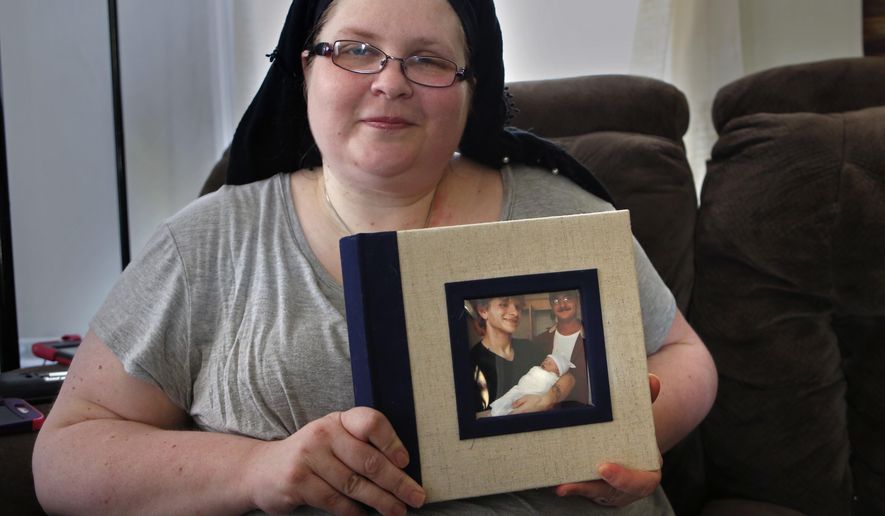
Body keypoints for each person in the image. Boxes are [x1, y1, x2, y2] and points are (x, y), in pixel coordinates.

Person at [32, 0, 718, 514]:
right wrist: (257, 469)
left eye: (427, 59)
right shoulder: (206, 244)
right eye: (355, 50)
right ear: (304, 69)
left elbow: (683, 355)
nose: (390, 83)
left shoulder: (561, 212)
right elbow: (66, 456)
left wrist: (635, 430)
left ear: (471, 87)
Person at [469, 296, 574, 415]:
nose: (515, 312)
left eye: (518, 306)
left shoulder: (529, 347)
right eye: (503, 305)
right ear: (483, 311)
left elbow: (569, 378)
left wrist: (544, 401)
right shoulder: (471, 361)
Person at [534, 290, 591, 405]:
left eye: (567, 299)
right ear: (551, 305)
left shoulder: (594, 335)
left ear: (577, 301)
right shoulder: (539, 341)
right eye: (556, 301)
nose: (562, 305)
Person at [490, 353, 575, 417]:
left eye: (549, 363)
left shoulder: (554, 377)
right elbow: (528, 377)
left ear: (557, 371)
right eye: (545, 360)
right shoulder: (536, 368)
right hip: (521, 388)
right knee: (509, 399)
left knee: (518, 406)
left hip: (535, 394)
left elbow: (557, 385)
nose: (545, 363)